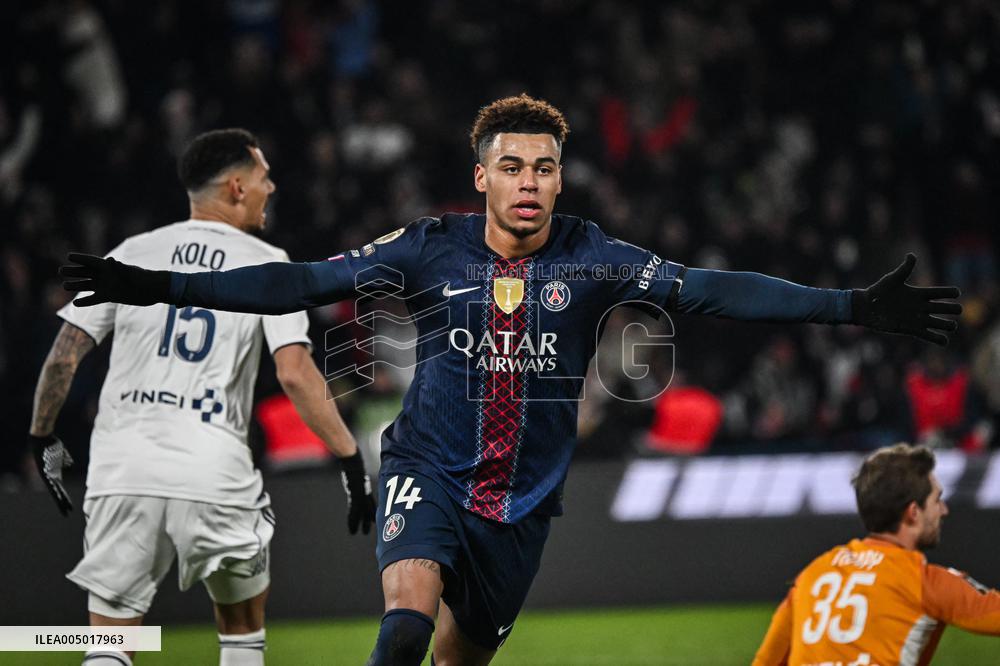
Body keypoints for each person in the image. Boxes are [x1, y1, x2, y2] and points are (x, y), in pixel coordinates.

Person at [59, 95, 962, 666]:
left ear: (560, 180)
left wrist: (848, 306)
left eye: (544, 168)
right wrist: (162, 285)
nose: (529, 183)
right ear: (481, 177)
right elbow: (299, 282)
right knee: (404, 627)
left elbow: (712, 290)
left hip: (521, 505)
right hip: (426, 467)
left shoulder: (593, 255)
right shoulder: (428, 246)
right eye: (512, 167)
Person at [32, 128, 375, 666]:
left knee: (109, 645)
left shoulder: (132, 252)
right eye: (264, 178)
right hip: (214, 469)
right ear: (237, 187)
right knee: (242, 635)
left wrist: (42, 436)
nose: (271, 187)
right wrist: (351, 459)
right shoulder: (269, 262)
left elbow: (63, 356)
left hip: (124, 468)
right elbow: (294, 373)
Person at [752, 443, 1000, 665]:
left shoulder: (811, 574)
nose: (944, 510)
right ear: (913, 512)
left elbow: (766, 661)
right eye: (937, 500)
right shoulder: (922, 582)